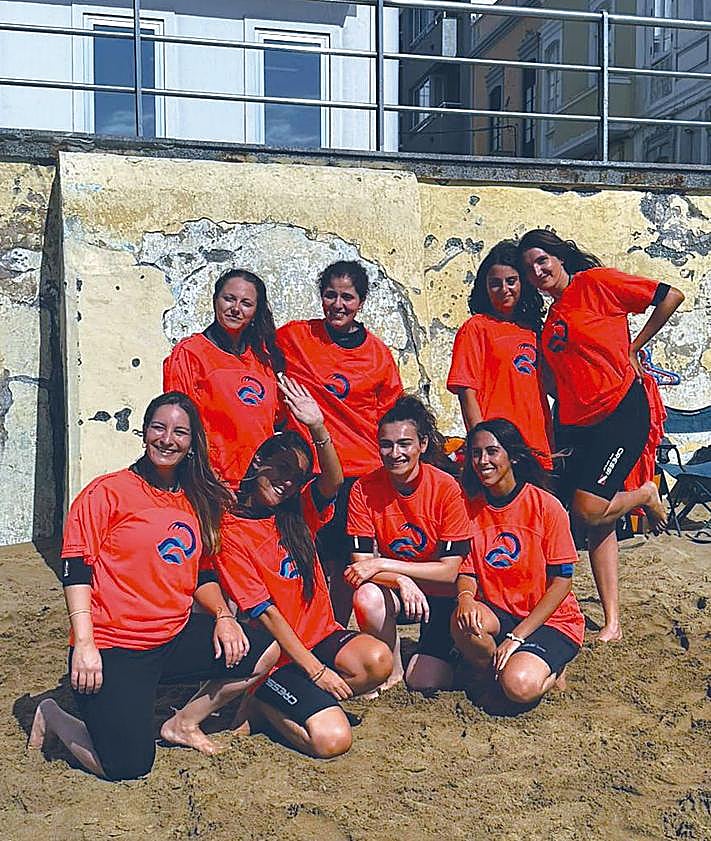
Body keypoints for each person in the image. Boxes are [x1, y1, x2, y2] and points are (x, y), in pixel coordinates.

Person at [28, 392, 278, 780]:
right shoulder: (107, 492)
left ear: (192, 443)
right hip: (116, 646)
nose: (167, 439)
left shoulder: (195, 500)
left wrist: (225, 616)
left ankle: (183, 722)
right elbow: (76, 570)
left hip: (172, 638)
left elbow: (200, 574)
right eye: (159, 428)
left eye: (180, 432)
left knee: (261, 649)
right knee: (128, 767)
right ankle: (54, 715)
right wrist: (86, 644)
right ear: (144, 432)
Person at [517, 229, 684, 641]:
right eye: (529, 269)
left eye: (542, 261)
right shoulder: (551, 318)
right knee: (595, 524)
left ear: (559, 257)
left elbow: (670, 295)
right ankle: (612, 621)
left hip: (619, 411)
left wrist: (634, 347)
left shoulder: (596, 284)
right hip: (575, 423)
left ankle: (644, 494)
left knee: (588, 510)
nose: (538, 272)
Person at [215, 375, 392, 759]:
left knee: (378, 661)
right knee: (333, 741)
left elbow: (334, 479)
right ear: (258, 462)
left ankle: (294, 699)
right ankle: (263, 702)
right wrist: (314, 671)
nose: (286, 483)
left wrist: (317, 427)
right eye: (280, 469)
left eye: (295, 478)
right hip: (276, 657)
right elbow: (269, 616)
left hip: (320, 636)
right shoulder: (231, 530)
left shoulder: (297, 514)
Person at [277, 260, 403, 625]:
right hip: (307, 471)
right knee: (306, 556)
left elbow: (390, 418)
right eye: (330, 295)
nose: (337, 304)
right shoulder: (294, 338)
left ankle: (335, 630)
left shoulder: (378, 355)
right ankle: (308, 628)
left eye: (347, 297)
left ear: (360, 302)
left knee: (347, 562)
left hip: (358, 472)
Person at [452, 419, 585, 709]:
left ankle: (553, 669)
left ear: (511, 456)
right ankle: (493, 673)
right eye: (476, 453)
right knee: (463, 622)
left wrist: (517, 637)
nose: (482, 461)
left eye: (492, 452)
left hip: (550, 619)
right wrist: (465, 599)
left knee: (520, 686)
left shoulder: (546, 506)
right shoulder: (469, 508)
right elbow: (467, 569)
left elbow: (562, 581)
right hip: (501, 611)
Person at [345, 396, 472, 694]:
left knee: (424, 680)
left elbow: (450, 571)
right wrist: (401, 579)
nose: (395, 453)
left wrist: (385, 564)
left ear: (422, 445)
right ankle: (391, 668)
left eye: (404, 444)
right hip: (402, 591)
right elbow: (361, 566)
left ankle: (456, 657)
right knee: (367, 597)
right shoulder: (363, 489)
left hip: (444, 596)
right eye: (386, 445)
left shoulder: (446, 488)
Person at [163, 268, 284, 489]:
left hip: (257, 486)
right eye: (229, 299)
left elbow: (274, 420)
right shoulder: (191, 353)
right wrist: (207, 477)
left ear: (256, 311)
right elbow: (178, 422)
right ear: (215, 300)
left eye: (246, 303)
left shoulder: (264, 359)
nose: (236, 309)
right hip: (213, 483)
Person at [447, 239, 552, 468]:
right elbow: (467, 392)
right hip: (498, 448)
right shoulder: (476, 327)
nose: (504, 289)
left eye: (511, 281)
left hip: (538, 447)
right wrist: (481, 445)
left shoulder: (533, 330)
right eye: (495, 283)